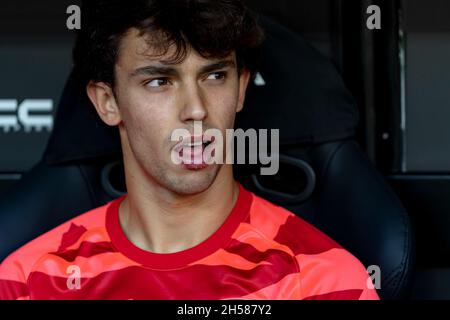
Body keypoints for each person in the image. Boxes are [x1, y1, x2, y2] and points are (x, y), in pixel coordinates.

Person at [0, 0, 379, 300]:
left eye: (215, 76)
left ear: (241, 88)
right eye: (160, 81)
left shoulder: (320, 282)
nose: (196, 109)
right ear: (107, 102)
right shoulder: (29, 282)